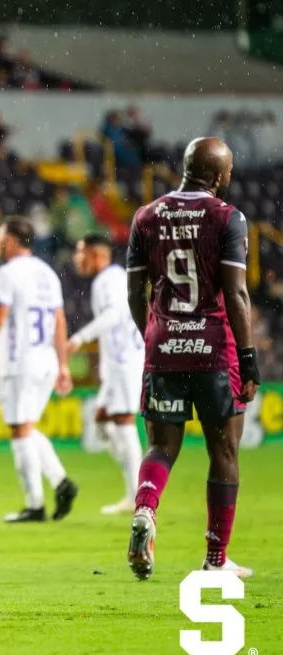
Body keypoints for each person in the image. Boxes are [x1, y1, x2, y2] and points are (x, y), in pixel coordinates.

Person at [125, 137, 260, 580]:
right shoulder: (227, 217)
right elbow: (236, 294)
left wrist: (153, 335)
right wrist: (249, 358)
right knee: (224, 450)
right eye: (229, 170)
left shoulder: (146, 216)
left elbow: (135, 291)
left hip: (163, 345)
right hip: (214, 350)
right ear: (218, 176)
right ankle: (215, 559)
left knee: (161, 446)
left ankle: (145, 509)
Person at [0, 217, 79, 523]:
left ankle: (35, 504)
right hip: (46, 361)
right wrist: (63, 364)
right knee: (26, 428)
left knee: (20, 430)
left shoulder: (7, 273)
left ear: (12, 240)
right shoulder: (47, 273)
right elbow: (60, 322)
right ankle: (61, 482)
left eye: (0, 236)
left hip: (20, 361)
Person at [68, 234, 145, 514]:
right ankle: (133, 482)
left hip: (126, 362)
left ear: (96, 254)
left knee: (123, 422)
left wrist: (79, 338)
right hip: (118, 365)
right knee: (101, 423)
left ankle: (138, 496)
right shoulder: (112, 278)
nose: (77, 258)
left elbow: (113, 316)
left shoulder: (109, 279)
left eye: (81, 252)